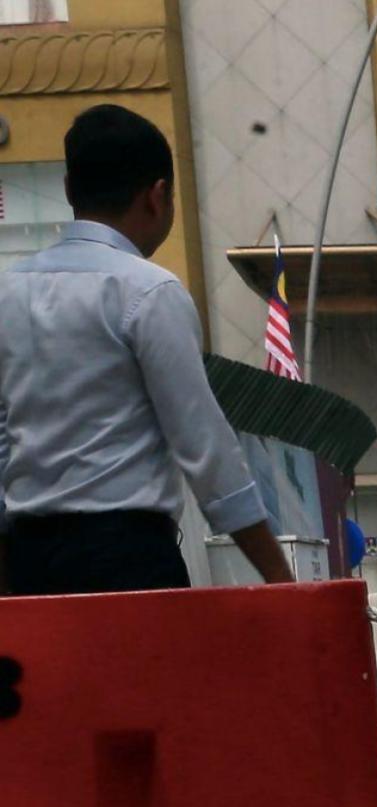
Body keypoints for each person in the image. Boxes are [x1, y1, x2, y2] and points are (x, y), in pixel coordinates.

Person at [0, 105, 292, 596]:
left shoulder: (8, 292)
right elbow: (205, 449)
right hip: (127, 561)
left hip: (30, 563)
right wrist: (282, 580)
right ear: (158, 197)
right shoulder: (149, 292)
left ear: (70, 189)